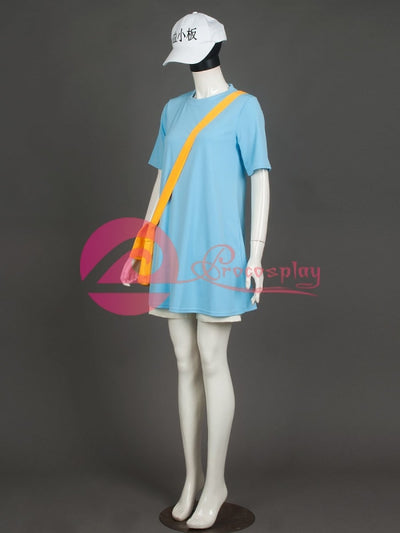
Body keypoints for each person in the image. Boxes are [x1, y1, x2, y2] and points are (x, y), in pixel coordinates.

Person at [122, 12, 272, 529]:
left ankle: (216, 484)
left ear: (214, 48)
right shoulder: (172, 109)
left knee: (212, 360)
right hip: (173, 248)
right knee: (184, 362)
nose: (191, 64)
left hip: (219, 252)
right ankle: (191, 480)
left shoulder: (245, 108)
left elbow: (260, 178)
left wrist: (255, 253)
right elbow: (162, 180)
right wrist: (140, 243)